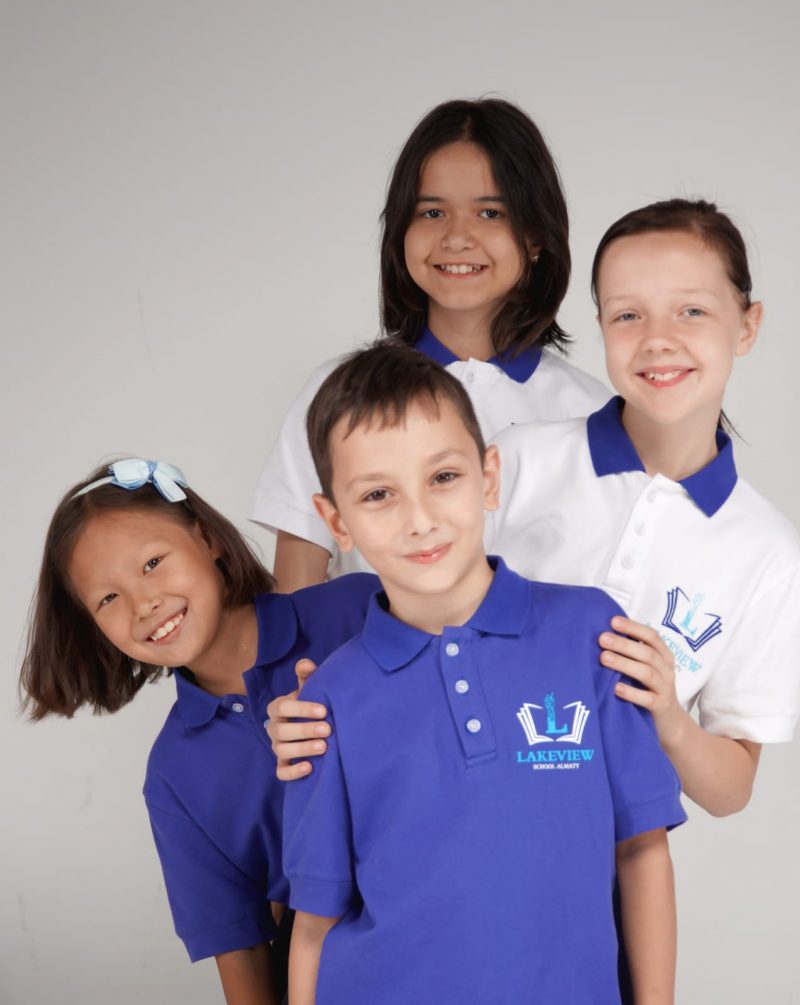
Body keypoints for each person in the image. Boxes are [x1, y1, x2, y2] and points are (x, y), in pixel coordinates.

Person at [281, 343, 685, 1004]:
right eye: (378, 494)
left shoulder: (591, 634)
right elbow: (314, 923)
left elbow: (641, 850)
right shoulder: (326, 701)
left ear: (488, 477)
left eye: (443, 477)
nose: (420, 519)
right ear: (336, 522)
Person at [19, 458, 377, 1005]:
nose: (144, 604)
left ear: (206, 538)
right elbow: (243, 955)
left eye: (152, 563)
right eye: (108, 599)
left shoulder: (356, 609)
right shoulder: (173, 774)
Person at [489, 199, 800, 818]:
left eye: (692, 311)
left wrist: (667, 715)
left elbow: (730, 791)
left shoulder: (768, 551)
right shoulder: (519, 459)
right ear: (601, 325)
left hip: (599, 849)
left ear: (747, 326)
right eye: (628, 315)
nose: (658, 339)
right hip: (449, 810)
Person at [252, 97, 609, 590]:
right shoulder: (335, 393)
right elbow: (298, 599)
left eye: (490, 213)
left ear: (534, 236)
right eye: (433, 212)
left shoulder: (594, 413)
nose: (457, 237)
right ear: (401, 229)